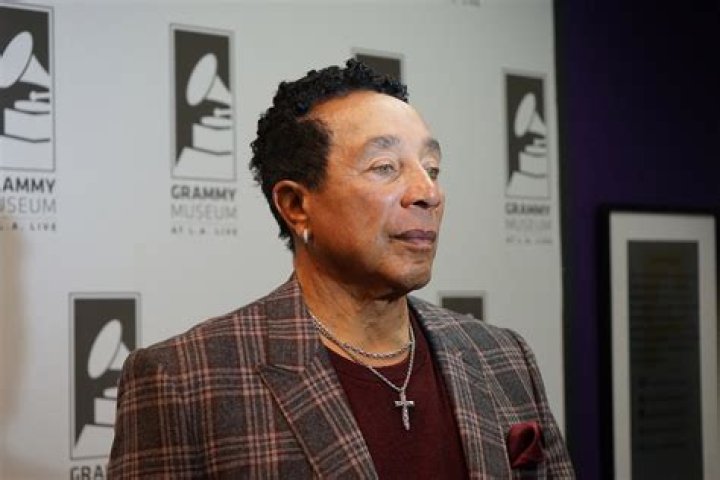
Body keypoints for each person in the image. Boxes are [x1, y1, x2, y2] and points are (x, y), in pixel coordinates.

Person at [108, 59, 574, 479]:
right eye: (385, 167)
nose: (427, 193)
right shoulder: (184, 380)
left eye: (432, 168)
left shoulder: (503, 356)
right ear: (296, 205)